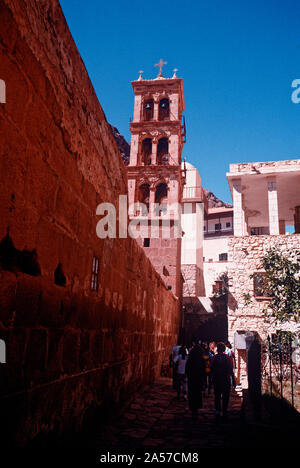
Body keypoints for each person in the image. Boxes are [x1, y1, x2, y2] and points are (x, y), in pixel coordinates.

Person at [211, 342, 233, 422]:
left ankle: (217, 411)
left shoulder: (214, 357)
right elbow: (231, 369)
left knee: (217, 395)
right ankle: (224, 411)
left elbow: (211, 368)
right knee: (225, 396)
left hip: (217, 379)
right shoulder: (227, 358)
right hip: (225, 379)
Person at [185, 343, 205, 421]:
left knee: (192, 393)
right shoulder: (201, 359)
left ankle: (192, 407)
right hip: (199, 379)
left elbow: (187, 369)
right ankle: (196, 408)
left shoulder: (190, 359)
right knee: (198, 393)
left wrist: (188, 376)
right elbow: (204, 370)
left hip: (192, 379)